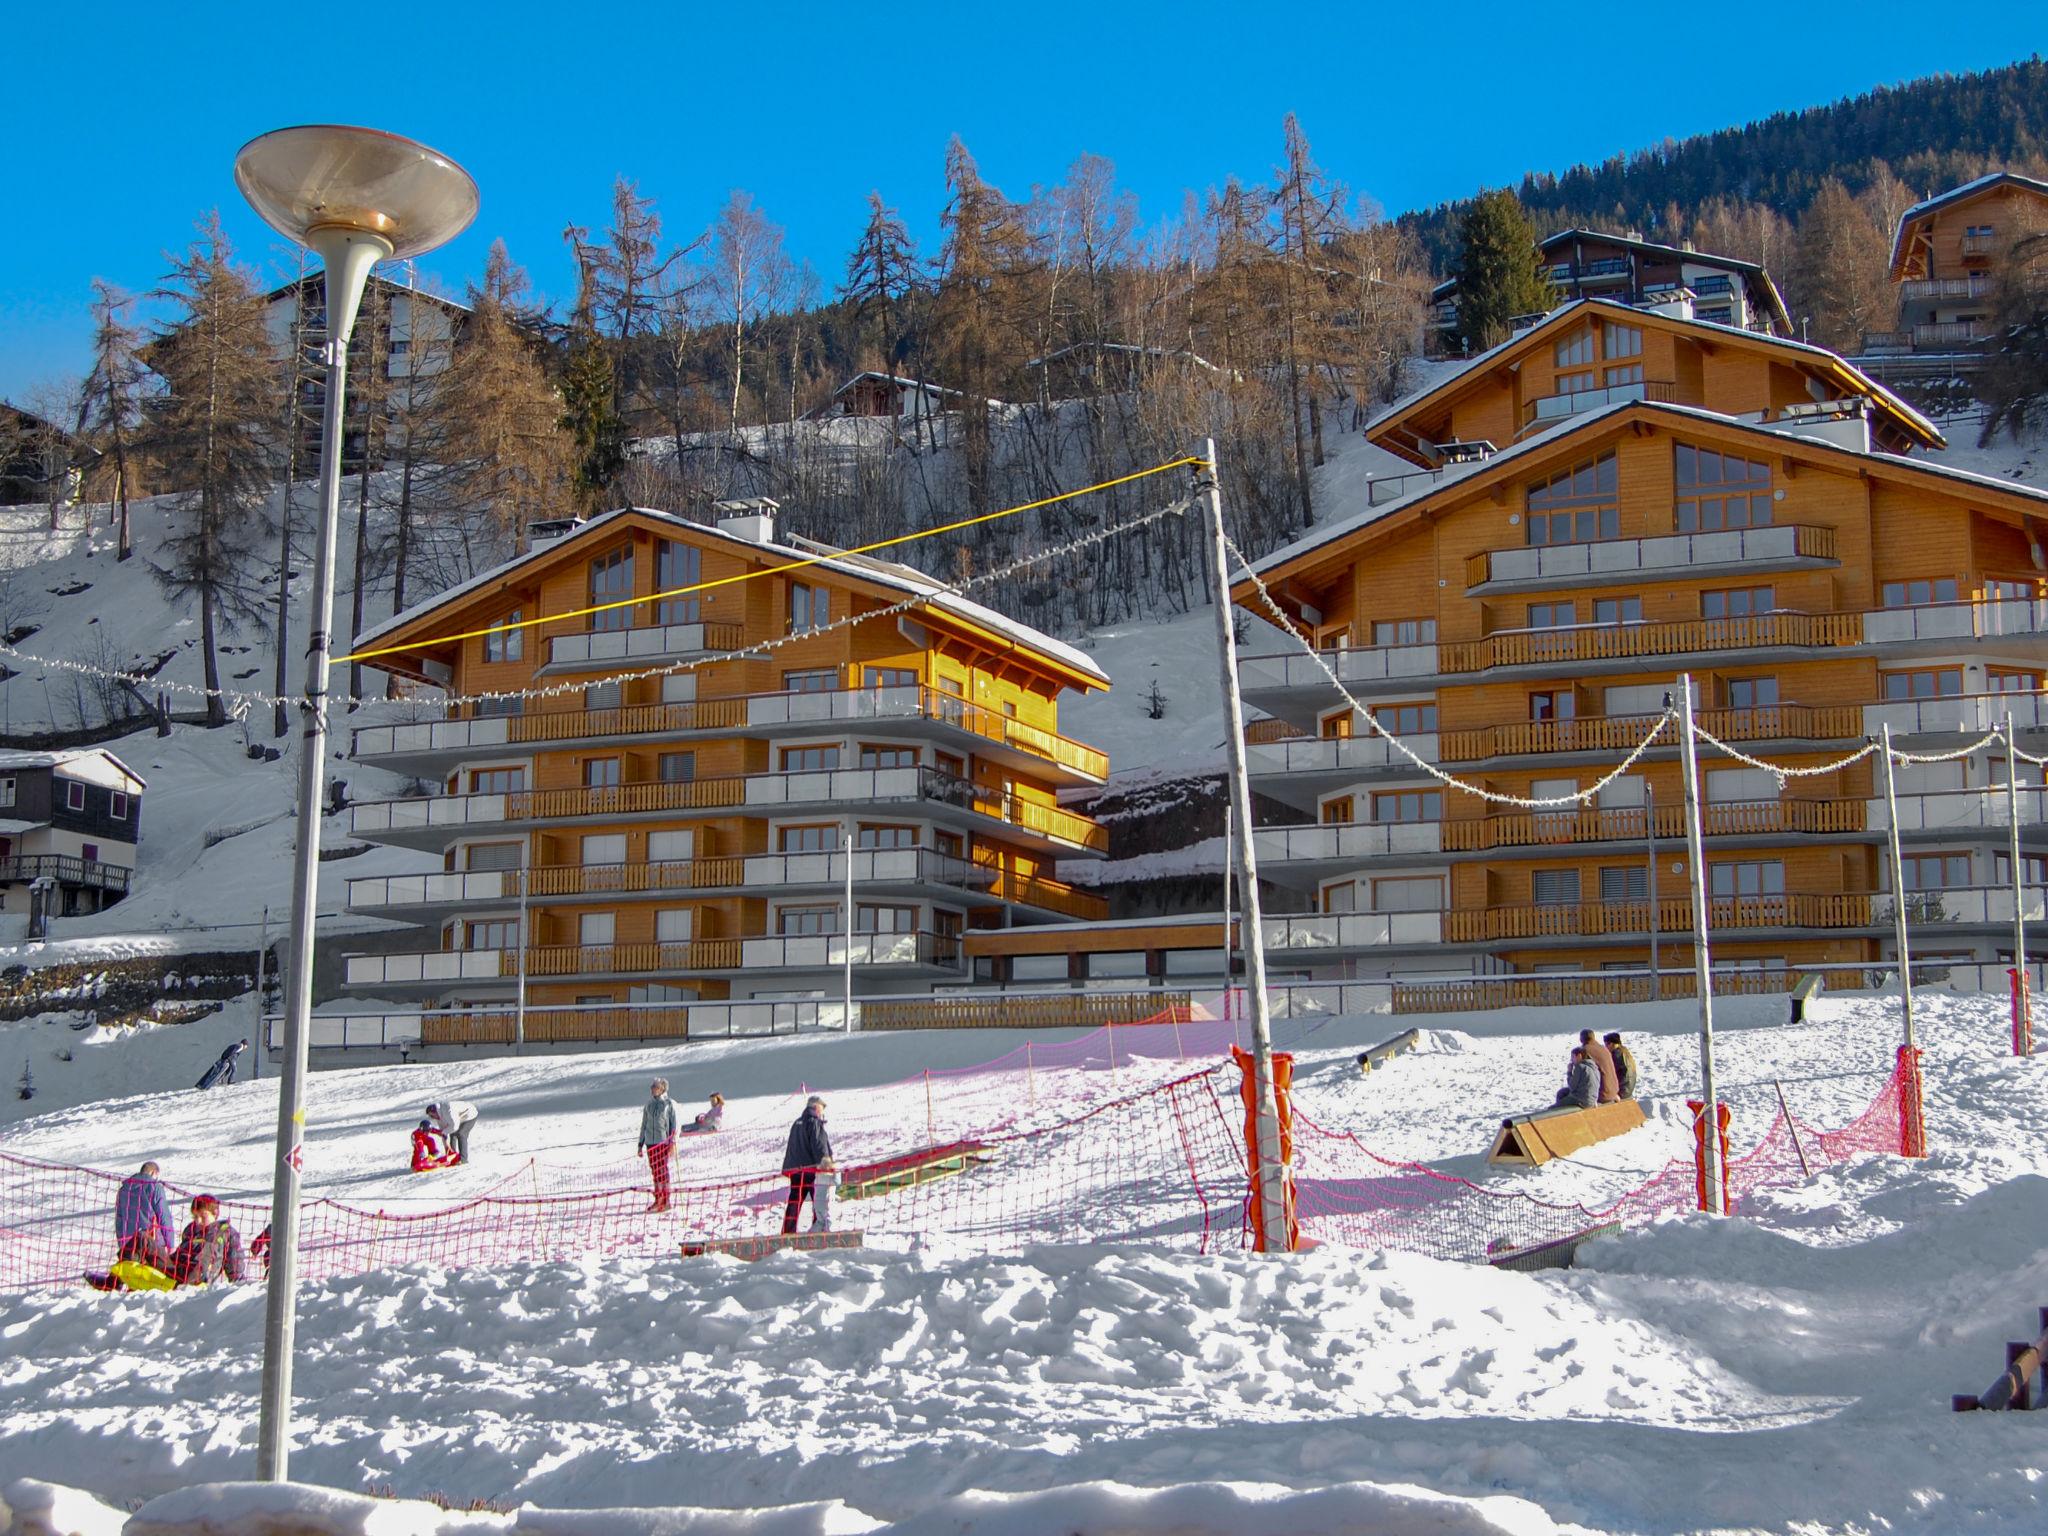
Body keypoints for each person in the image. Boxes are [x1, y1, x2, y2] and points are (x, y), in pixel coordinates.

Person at [781, 1095, 835, 1235]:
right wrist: (825, 1162)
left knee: (795, 1199)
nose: (822, 1113)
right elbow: (819, 1144)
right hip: (811, 1169)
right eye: (821, 1109)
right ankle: (819, 1227)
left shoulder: (797, 1123)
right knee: (818, 1200)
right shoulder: (814, 1122)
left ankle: (788, 1230)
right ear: (816, 1107)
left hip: (795, 1169)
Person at [164, 1195, 247, 1286]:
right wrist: (167, 1260)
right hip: (178, 1271)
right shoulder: (191, 1229)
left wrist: (238, 1282)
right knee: (147, 1243)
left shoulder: (226, 1232)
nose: (198, 1221)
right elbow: (179, 1253)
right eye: (195, 1216)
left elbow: (234, 1261)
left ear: (215, 1214)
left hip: (200, 1277)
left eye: (203, 1216)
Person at [113, 1161, 175, 1270]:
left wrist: (122, 1244)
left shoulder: (124, 1189)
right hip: (151, 1240)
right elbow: (163, 1215)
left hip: (129, 1243)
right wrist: (170, 1243)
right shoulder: (155, 1187)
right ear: (153, 1172)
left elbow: (119, 1219)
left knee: (135, 1276)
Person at [638, 1078, 679, 1213]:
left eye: (655, 1087)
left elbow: (674, 1125)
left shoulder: (668, 1104)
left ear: (662, 1089)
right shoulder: (648, 1105)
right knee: (655, 1171)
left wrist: (672, 1142)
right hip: (650, 1143)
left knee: (662, 1170)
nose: (652, 1089)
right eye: (652, 1086)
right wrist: (640, 1144)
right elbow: (644, 1124)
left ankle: (666, 1199)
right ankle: (658, 1198)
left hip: (663, 1142)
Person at [425, 1099, 479, 1164]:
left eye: (432, 1115)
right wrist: (446, 1147)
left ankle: (463, 1159)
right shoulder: (438, 1116)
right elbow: (444, 1132)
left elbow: (454, 1127)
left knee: (461, 1134)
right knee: (452, 1134)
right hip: (460, 1118)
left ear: (435, 1112)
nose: (432, 1118)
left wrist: (443, 1132)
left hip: (470, 1115)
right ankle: (452, 1156)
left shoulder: (448, 1110)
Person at [1578, 1029, 1621, 1104]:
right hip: (1614, 1091)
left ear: (1581, 1039)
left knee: (1563, 1095)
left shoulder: (1584, 1051)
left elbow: (1581, 1077)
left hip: (1602, 1094)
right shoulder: (1604, 1049)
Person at [1605, 1032, 1641, 1099]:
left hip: (1622, 1090)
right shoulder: (1624, 1051)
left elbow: (1611, 1073)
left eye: (1606, 1044)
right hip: (1629, 1088)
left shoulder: (1616, 1054)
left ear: (1611, 1044)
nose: (1605, 1047)